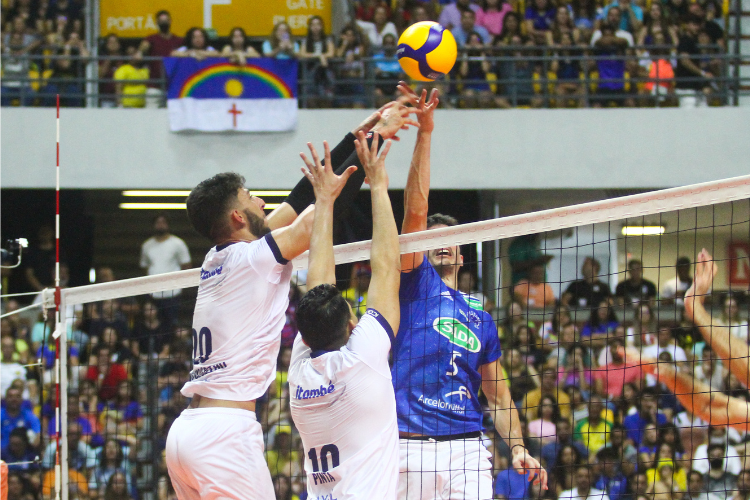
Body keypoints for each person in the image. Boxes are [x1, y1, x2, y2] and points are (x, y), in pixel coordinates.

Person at [165, 100, 417, 499]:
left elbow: (300, 199)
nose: (262, 203)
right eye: (251, 199)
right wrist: (377, 142)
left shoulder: (218, 258)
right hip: (224, 434)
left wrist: (357, 137)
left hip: (186, 434)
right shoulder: (252, 259)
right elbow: (318, 211)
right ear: (236, 218)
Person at [393, 86, 547, 499]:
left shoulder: (480, 317)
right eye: (432, 237)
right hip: (406, 444)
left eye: (451, 238)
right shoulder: (414, 282)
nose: (440, 242)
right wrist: (425, 133)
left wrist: (518, 448)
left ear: (463, 253)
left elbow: (498, 397)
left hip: (466, 447)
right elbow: (415, 210)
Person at [289, 130, 401, 499]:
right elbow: (384, 266)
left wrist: (325, 201)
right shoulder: (362, 359)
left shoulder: (300, 373)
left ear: (302, 339)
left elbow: (322, 282)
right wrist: (379, 185)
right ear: (352, 325)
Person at [139, 214, 191, 327]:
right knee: (153, 325)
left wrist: (180, 285)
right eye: (158, 222)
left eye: (163, 222)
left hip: (172, 293)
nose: (160, 225)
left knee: (171, 324)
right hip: (153, 293)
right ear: (153, 225)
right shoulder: (147, 245)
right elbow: (144, 267)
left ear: (168, 225)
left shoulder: (178, 243)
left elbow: (186, 265)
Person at [137, 10, 184, 104]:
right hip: (154, 86)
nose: (164, 23)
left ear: (170, 21)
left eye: (166, 20)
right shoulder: (151, 39)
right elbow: (144, 46)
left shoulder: (178, 40)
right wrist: (140, 52)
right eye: (161, 21)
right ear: (156, 23)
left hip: (173, 86)